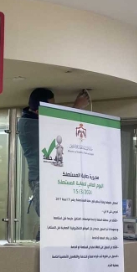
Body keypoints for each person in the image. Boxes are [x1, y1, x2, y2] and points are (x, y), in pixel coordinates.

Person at [18, 88, 89, 241]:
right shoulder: (28, 125)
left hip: (49, 178)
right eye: (49, 108)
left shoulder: (36, 120)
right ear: (38, 110)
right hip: (41, 179)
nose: (52, 111)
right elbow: (61, 129)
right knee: (51, 221)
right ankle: (42, 250)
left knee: (55, 221)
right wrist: (77, 106)